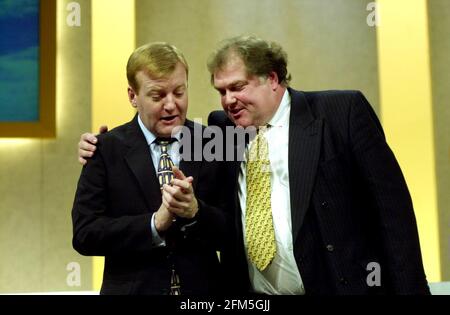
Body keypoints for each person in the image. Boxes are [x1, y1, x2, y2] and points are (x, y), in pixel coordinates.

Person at [78, 36, 430, 295]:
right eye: (221, 91)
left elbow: (393, 214)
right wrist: (103, 148)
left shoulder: (341, 113)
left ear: (273, 79)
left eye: (238, 87)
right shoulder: (222, 132)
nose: (229, 100)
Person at [72, 42, 228, 295]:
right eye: (157, 96)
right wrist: (154, 223)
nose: (170, 105)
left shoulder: (214, 142)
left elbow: (234, 231)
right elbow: (85, 234)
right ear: (133, 96)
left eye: (179, 92)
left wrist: (196, 212)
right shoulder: (104, 149)